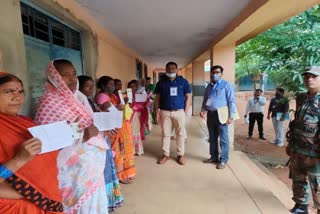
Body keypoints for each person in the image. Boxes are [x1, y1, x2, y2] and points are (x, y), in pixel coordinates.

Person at [34, 60, 109, 213]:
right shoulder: (48, 102)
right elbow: (45, 145)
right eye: (65, 75)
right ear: (54, 77)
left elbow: (88, 124)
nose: (72, 79)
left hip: (91, 171)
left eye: (74, 74)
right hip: (72, 176)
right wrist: (82, 136)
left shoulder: (77, 99)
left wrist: (102, 131)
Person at [0, 72, 63, 213]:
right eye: (8, 91)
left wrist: (70, 133)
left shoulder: (25, 121)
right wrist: (19, 159)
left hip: (42, 199)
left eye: (20, 91)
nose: (17, 97)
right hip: (17, 206)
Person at [78, 76, 124, 211]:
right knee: (103, 170)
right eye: (87, 86)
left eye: (92, 86)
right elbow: (89, 122)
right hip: (93, 140)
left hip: (102, 136)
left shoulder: (89, 101)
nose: (91, 89)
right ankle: (107, 201)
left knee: (107, 165)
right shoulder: (81, 102)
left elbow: (95, 118)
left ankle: (109, 199)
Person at [286, 66, 320, 214]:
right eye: (307, 77)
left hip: (315, 153)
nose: (309, 79)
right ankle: (301, 206)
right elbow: (296, 123)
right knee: (298, 178)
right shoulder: (302, 97)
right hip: (298, 148)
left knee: (317, 184)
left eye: (314, 77)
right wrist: (290, 145)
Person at [95, 76, 136, 184]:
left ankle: (125, 173)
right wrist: (118, 108)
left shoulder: (112, 95)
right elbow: (103, 114)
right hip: (111, 128)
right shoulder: (101, 97)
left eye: (113, 84)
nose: (113, 87)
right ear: (103, 85)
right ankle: (119, 175)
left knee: (122, 150)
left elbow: (116, 108)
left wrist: (122, 104)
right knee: (116, 151)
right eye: (110, 84)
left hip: (119, 125)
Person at [155, 61, 191, 165]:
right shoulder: (161, 82)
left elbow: (188, 97)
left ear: (176, 69)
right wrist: (157, 111)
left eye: (173, 68)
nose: (171, 70)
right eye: (168, 68)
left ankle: (180, 155)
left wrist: (185, 111)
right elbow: (157, 98)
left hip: (179, 112)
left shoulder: (183, 82)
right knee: (165, 134)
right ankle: (166, 154)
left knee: (180, 134)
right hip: (164, 111)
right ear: (166, 70)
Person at [200, 65, 236, 169]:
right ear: (211, 73)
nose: (215, 74)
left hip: (222, 115)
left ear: (221, 73)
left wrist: (231, 116)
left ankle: (223, 160)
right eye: (213, 72)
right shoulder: (209, 86)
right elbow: (206, 99)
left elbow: (231, 101)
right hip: (211, 115)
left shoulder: (226, 85)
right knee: (212, 137)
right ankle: (214, 157)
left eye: (217, 72)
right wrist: (203, 109)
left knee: (223, 139)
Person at [128, 80, 150, 155]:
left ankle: (136, 150)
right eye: (130, 87)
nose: (132, 88)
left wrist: (145, 102)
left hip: (136, 115)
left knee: (136, 131)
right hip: (128, 116)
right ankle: (130, 149)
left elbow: (146, 103)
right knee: (129, 131)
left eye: (134, 86)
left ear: (136, 87)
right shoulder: (125, 96)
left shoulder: (139, 96)